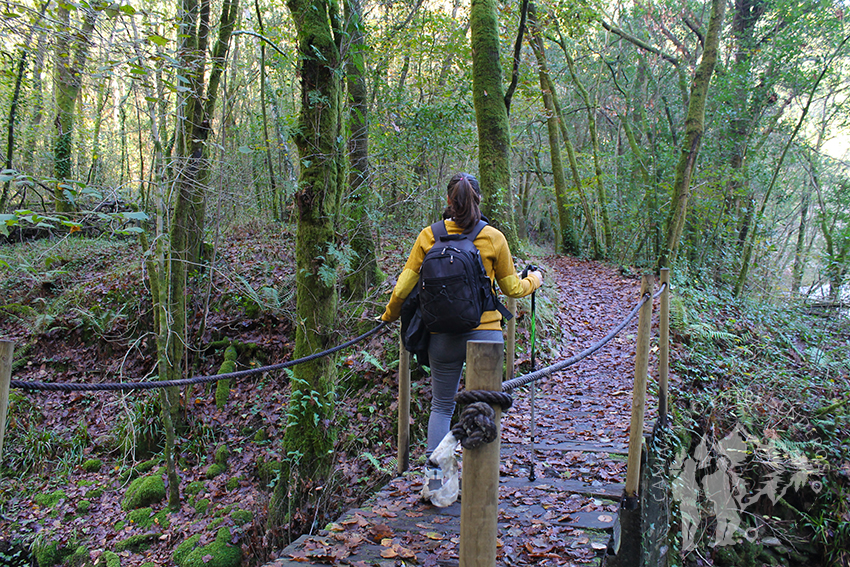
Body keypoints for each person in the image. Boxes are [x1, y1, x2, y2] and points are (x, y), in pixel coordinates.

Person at [380, 172, 542, 473]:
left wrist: (389, 314)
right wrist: (534, 279)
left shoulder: (429, 236)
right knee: (487, 406)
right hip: (486, 337)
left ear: (449, 201)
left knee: (441, 405)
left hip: (442, 334)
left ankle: (435, 476)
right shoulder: (494, 237)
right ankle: (481, 477)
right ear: (478, 199)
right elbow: (512, 289)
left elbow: (404, 286)